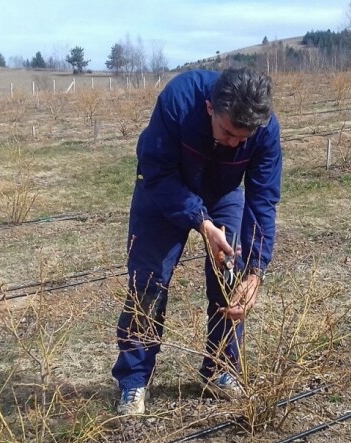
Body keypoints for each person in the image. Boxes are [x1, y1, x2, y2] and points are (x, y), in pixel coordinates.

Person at [112, 66, 282, 415]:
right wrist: (201, 221)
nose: (235, 142)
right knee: (148, 283)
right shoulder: (178, 100)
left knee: (230, 276)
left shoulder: (265, 130)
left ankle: (220, 369)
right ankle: (134, 381)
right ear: (210, 109)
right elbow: (155, 171)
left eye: (243, 138)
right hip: (164, 189)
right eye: (227, 132)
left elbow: (262, 199)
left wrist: (256, 270)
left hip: (222, 192)